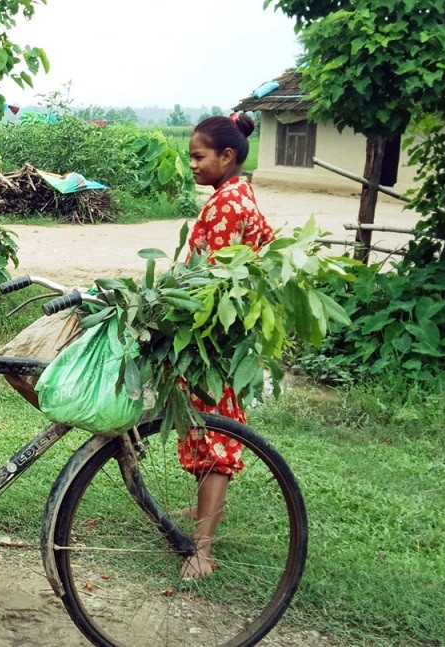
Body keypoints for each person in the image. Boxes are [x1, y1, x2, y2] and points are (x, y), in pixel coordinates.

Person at [178, 112, 275, 580]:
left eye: (199, 157)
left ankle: (203, 551)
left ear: (226, 156)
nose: (193, 165)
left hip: (215, 341)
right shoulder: (239, 194)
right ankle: (206, 520)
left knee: (216, 441)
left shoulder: (224, 206)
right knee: (209, 432)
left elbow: (208, 283)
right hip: (225, 340)